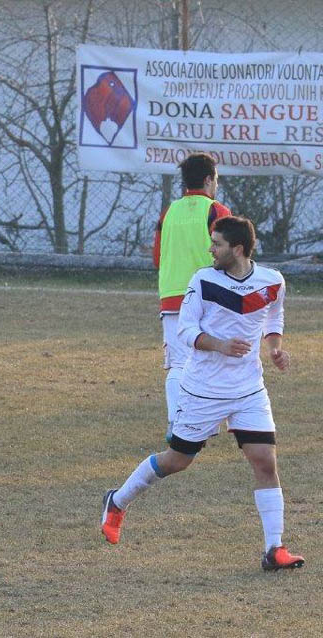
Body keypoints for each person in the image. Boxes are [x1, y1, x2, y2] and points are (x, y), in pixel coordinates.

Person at [101, 216, 304, 572]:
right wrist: (220, 345)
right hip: (203, 390)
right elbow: (185, 329)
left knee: (265, 461)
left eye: (217, 244)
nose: (210, 249)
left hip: (248, 389)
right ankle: (117, 501)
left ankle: (274, 549)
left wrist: (274, 348)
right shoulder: (203, 280)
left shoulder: (272, 281)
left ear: (237, 249)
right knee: (177, 460)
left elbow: (274, 318)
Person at [153, 153, 230, 438]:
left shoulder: (168, 212)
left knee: (178, 363)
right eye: (216, 179)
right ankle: (205, 421)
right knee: (212, 359)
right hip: (209, 296)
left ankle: (177, 422)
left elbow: (157, 257)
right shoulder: (216, 211)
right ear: (209, 179)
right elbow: (229, 254)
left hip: (172, 296)